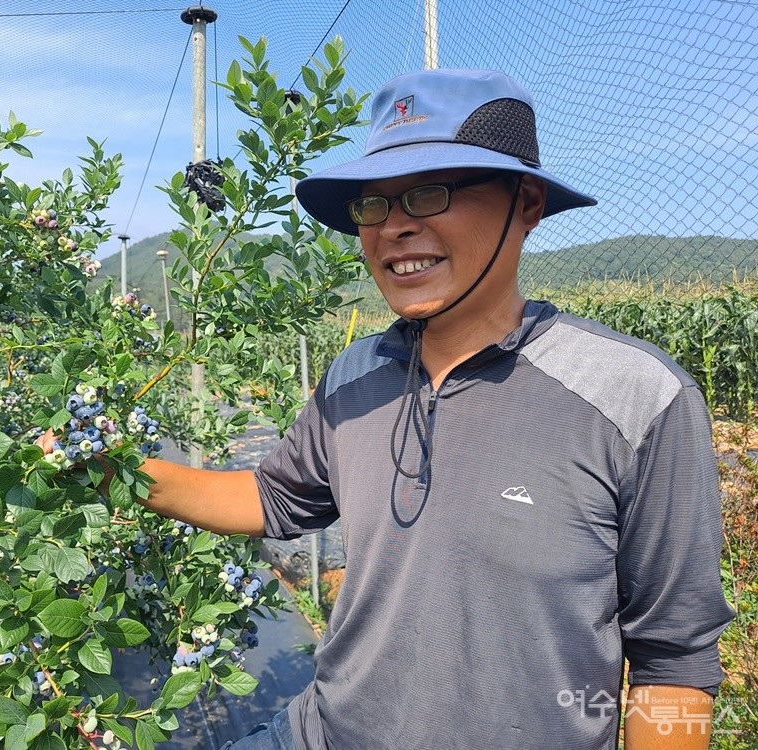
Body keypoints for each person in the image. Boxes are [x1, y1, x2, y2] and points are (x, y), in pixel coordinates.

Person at [45, 69, 734, 749]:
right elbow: (271, 497)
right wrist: (110, 472)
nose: (394, 228)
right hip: (323, 732)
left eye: (429, 194)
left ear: (525, 203)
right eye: (373, 205)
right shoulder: (355, 374)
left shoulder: (633, 395)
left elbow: (672, 663)